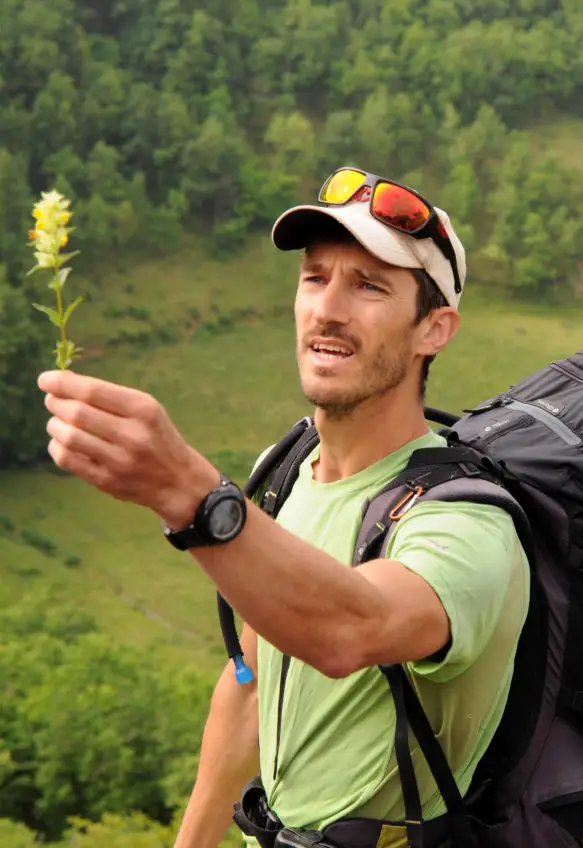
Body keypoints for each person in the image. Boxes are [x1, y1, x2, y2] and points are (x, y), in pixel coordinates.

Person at [39, 168, 530, 848]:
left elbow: (354, 627)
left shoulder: (466, 518)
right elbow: (250, 682)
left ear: (434, 330)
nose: (328, 309)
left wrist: (192, 497)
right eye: (315, 277)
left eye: (368, 285)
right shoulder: (292, 468)